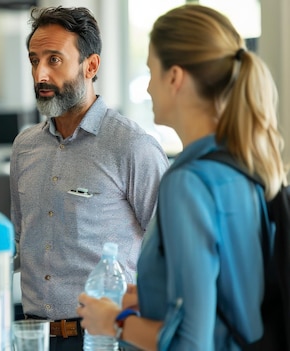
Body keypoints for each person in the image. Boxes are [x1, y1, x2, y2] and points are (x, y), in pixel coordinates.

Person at [77, 4, 288, 350]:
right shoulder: (243, 167)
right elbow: (230, 300)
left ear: (174, 77)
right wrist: (149, 298)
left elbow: (192, 343)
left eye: (151, 71)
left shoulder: (187, 183)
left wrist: (113, 321)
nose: (147, 89)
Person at [10, 6, 169, 350]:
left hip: (104, 339)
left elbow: (169, 254)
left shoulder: (133, 146)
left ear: (91, 65)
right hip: (32, 337)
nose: (40, 74)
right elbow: (23, 242)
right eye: (34, 60)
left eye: (54, 60)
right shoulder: (24, 147)